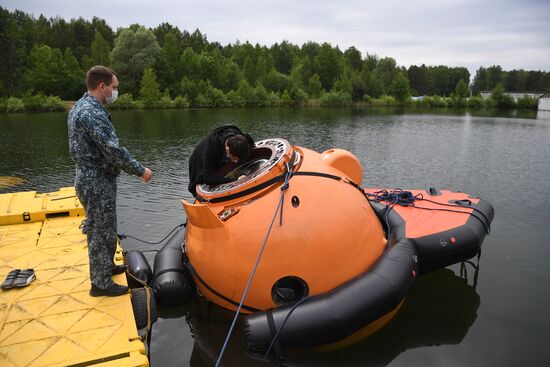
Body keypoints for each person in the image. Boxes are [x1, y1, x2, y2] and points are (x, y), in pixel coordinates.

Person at [67, 65, 153, 297]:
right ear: (102, 86)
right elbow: (112, 150)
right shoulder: (91, 113)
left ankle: (106, 267)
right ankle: (100, 284)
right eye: (114, 88)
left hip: (93, 178)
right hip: (95, 182)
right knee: (99, 231)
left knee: (106, 227)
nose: (116, 92)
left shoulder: (81, 107)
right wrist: (140, 170)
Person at [188, 125, 254, 197]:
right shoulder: (210, 152)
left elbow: (250, 143)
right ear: (228, 150)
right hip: (199, 168)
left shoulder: (239, 136)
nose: (237, 162)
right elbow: (208, 179)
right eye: (235, 159)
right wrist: (235, 179)